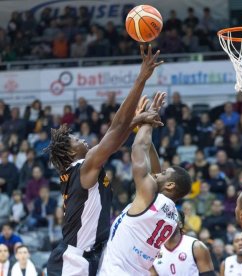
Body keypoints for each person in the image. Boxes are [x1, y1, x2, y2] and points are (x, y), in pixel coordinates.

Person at [45, 45, 163, 276]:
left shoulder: (84, 168)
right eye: (76, 139)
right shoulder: (83, 167)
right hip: (73, 260)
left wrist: (135, 122)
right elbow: (115, 130)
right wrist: (141, 78)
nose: (83, 140)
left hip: (93, 257)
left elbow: (114, 140)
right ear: (71, 154)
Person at [98, 93, 192, 275]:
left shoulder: (150, 196)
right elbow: (155, 172)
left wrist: (148, 119)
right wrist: (144, 128)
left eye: (165, 173)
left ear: (170, 185)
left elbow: (138, 149)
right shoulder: (171, 215)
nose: (158, 174)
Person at [150, 210, 214, 276]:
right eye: (165, 219)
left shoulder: (196, 247)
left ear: (180, 224)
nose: (168, 222)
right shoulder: (153, 250)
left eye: (171, 218)